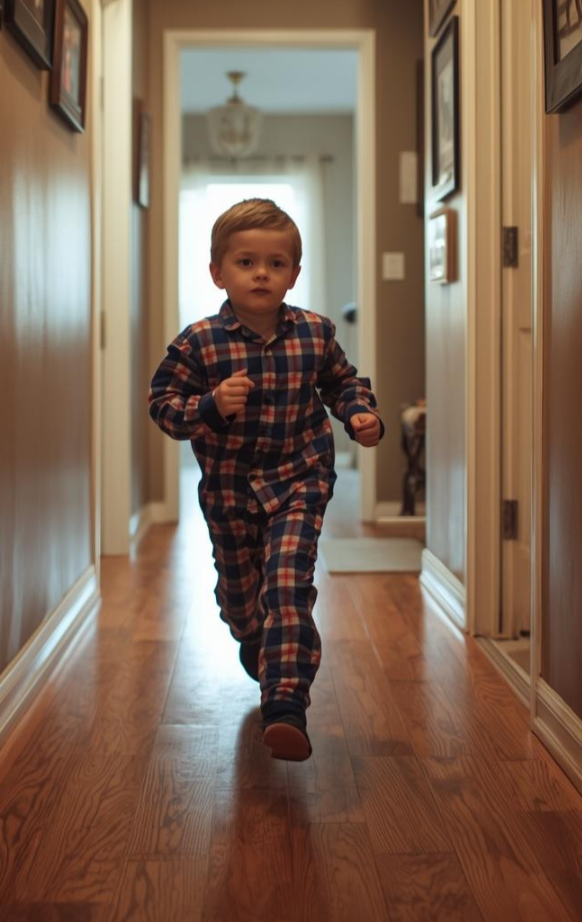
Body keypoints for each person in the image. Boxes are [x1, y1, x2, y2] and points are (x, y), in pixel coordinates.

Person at [148, 198, 383, 762]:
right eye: (246, 262)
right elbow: (163, 407)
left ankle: (286, 703)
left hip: (299, 478)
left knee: (287, 585)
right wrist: (208, 405)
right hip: (228, 493)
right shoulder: (198, 342)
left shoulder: (316, 333)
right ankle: (254, 638)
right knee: (241, 599)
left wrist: (358, 414)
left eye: (276, 264)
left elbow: (342, 383)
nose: (261, 273)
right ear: (217, 273)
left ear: (294, 274)